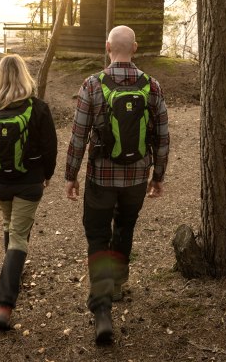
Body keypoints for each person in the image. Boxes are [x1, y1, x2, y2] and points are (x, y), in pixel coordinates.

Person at [65, 25, 169, 344]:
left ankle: (102, 311)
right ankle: (118, 283)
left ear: (107, 46)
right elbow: (162, 137)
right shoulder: (152, 86)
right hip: (137, 176)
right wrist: (158, 176)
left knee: (98, 236)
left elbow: (78, 135)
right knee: (125, 227)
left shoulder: (93, 84)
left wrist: (71, 175)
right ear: (134, 48)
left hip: (101, 178)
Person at [0, 54, 57, 330]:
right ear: (24, 74)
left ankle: (13, 272)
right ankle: (5, 304)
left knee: (11, 226)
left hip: (2, 183)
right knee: (19, 236)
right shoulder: (38, 108)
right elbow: (50, 146)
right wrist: (47, 174)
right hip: (29, 181)